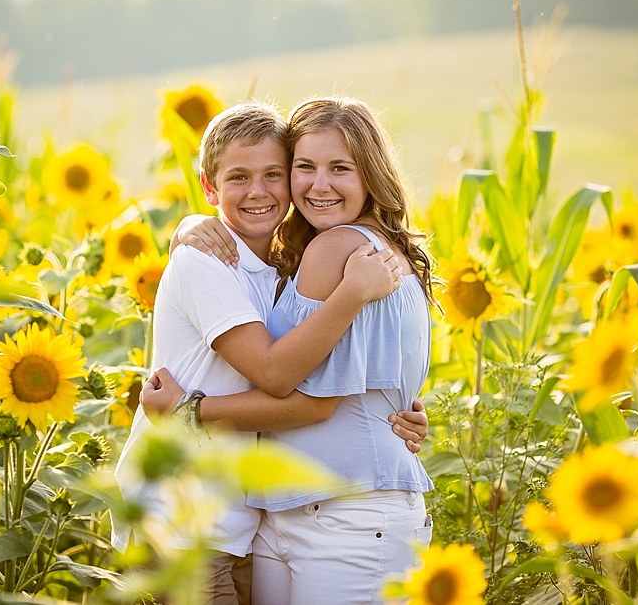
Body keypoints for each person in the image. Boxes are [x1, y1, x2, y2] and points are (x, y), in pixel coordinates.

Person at [110, 101, 426, 605]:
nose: (259, 192)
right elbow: (281, 377)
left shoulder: (285, 268)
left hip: (242, 523)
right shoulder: (207, 261)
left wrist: (387, 405)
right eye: (239, 177)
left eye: (274, 174)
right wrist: (186, 231)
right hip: (184, 521)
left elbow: (342, 374)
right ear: (209, 186)